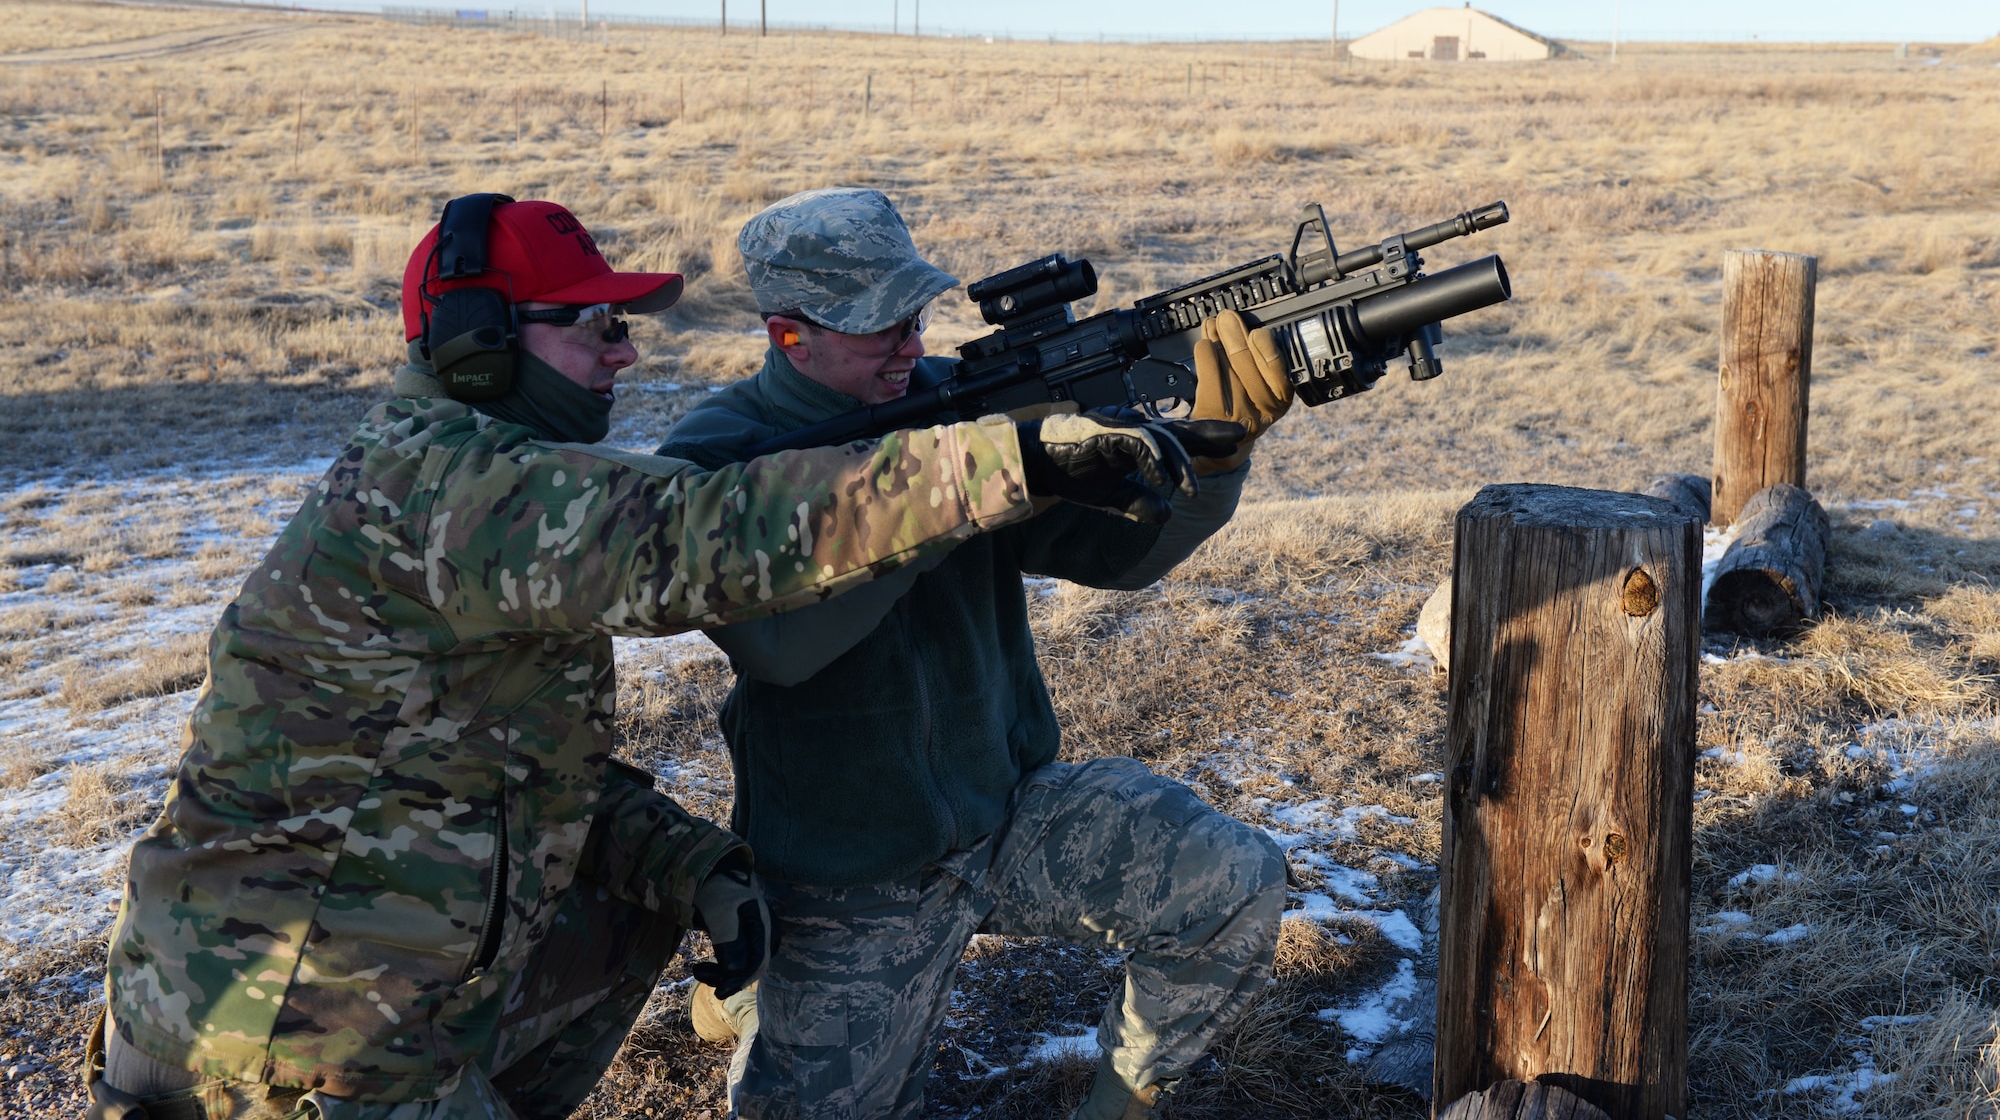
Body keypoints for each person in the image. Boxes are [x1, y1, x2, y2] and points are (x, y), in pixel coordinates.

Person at [88, 195, 1232, 1120]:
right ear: (479, 343)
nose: (624, 352)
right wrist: (997, 461)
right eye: (594, 325)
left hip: (373, 1011)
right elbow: (699, 540)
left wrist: (690, 866)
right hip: (283, 1038)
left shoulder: (481, 484)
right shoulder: (445, 485)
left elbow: (502, 774)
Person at [657, 188, 1300, 1120]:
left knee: (1234, 881)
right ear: (789, 334)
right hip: (851, 870)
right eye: (879, 327)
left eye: (914, 316)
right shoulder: (722, 457)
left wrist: (1213, 459)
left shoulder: (960, 404)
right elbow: (778, 646)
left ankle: (1120, 1103)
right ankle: (755, 992)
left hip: (1010, 813)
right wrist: (945, 489)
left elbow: (1111, 555)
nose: (911, 347)